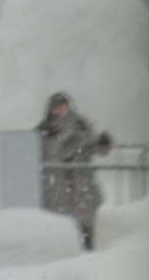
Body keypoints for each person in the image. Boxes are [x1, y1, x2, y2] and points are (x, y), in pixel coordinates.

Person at [36, 91, 112, 250]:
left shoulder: (81, 125)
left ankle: (88, 260)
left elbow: (95, 148)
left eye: (63, 106)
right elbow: (33, 154)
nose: (60, 110)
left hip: (80, 186)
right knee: (58, 231)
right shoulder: (43, 130)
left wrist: (103, 143)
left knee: (85, 229)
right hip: (55, 187)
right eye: (56, 107)